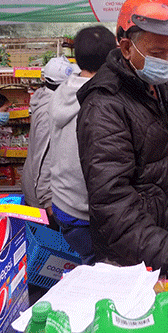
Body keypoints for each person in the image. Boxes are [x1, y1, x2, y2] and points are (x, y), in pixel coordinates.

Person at [76, 0, 168, 287]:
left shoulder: (156, 88)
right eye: (158, 53)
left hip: (161, 246)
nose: (167, 61)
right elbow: (112, 203)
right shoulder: (104, 106)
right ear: (126, 47)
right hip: (131, 262)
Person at [48, 26, 116, 265]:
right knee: (103, 273)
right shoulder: (102, 98)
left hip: (63, 203)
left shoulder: (62, 91)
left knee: (87, 267)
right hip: (89, 210)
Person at [21, 56, 80, 212]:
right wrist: (46, 198)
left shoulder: (43, 96)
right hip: (42, 197)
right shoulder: (50, 111)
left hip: (39, 188)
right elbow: (43, 156)